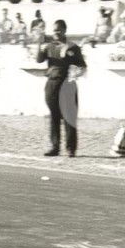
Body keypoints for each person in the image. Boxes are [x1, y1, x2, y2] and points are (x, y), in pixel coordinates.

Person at [36, 19, 87, 157]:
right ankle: (55, 146)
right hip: (52, 83)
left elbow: (82, 65)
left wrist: (76, 73)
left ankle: (71, 148)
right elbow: (39, 60)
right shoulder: (49, 46)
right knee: (54, 115)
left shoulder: (72, 47)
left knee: (69, 115)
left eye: (58, 30)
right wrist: (39, 43)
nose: (56, 33)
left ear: (64, 30)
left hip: (67, 84)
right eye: (54, 31)